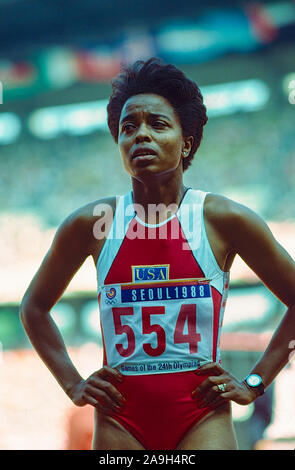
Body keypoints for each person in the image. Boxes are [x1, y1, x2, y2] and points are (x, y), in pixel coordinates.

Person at [20, 57, 295, 450]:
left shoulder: (223, 220)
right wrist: (73, 383)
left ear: (187, 143)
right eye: (128, 128)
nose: (140, 136)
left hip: (203, 418)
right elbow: (34, 307)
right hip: (121, 422)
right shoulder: (92, 224)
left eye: (158, 124)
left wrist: (255, 382)